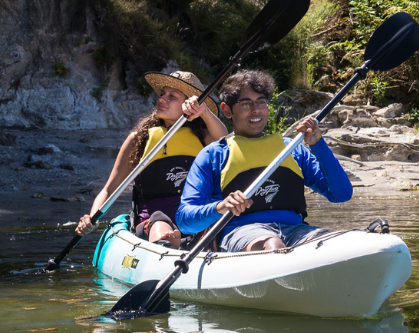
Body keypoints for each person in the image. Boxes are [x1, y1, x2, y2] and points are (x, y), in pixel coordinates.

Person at [176, 69, 353, 252]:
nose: (256, 110)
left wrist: (318, 145)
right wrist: (220, 207)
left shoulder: (292, 149)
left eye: (261, 102)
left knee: (340, 244)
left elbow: (341, 194)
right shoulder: (213, 155)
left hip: (297, 231)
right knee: (274, 245)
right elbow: (184, 222)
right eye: (246, 104)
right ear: (227, 110)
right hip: (243, 233)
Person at [76, 70, 227, 249]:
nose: (162, 99)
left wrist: (204, 112)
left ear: (188, 103)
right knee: (159, 222)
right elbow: (109, 190)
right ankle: (166, 245)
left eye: (172, 96)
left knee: (209, 221)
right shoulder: (139, 139)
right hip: (152, 220)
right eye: (162, 94)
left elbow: (225, 141)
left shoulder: (204, 137)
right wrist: (91, 218)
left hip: (193, 218)